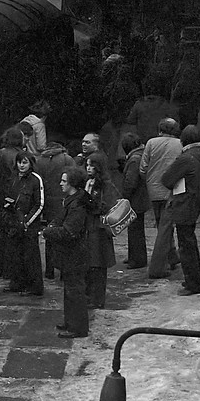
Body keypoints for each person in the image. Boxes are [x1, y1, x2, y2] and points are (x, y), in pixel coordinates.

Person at [42, 166, 91, 338]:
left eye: (64, 181)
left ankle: (77, 328)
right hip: (72, 254)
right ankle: (71, 322)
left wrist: (47, 232)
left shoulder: (76, 205)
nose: (60, 183)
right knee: (70, 290)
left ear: (73, 184)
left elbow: (69, 232)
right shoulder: (73, 200)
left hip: (75, 255)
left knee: (74, 291)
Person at [160, 125, 200, 296]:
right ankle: (193, 280)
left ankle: (193, 284)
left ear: (183, 140)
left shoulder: (186, 158)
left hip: (184, 203)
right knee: (189, 243)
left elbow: (166, 179)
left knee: (186, 245)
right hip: (195, 202)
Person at [142, 118, 182, 279]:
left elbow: (143, 167)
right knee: (165, 228)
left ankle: (172, 257)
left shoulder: (151, 143)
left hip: (153, 189)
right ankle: (157, 267)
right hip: (172, 190)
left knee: (162, 226)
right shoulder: (179, 144)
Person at [3, 151, 45, 296]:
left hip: (29, 225)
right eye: (20, 162)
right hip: (14, 222)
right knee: (15, 255)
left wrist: (27, 222)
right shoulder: (13, 178)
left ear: (30, 163)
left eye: (25, 162)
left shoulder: (35, 179)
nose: (21, 165)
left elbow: (39, 204)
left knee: (30, 256)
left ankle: (34, 287)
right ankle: (17, 283)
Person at [35, 141, 76, 279]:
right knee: (64, 237)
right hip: (63, 201)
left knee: (50, 235)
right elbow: (75, 177)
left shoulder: (39, 160)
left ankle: (49, 271)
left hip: (47, 203)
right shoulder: (66, 159)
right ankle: (64, 271)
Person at [0, 127, 24, 277]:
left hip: (1, 198)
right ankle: (12, 269)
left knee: (2, 233)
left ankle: (0, 267)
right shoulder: (22, 156)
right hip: (18, 197)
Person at [84, 152, 118, 309]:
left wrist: (89, 203)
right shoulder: (88, 182)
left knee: (98, 265)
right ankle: (90, 296)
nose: (88, 168)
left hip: (99, 229)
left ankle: (97, 299)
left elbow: (106, 206)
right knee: (90, 264)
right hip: (89, 227)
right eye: (87, 165)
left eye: (91, 165)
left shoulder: (105, 185)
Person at [120, 132, 150, 269]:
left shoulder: (134, 159)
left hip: (135, 200)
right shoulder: (140, 156)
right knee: (136, 230)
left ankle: (137, 259)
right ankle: (135, 256)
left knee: (135, 231)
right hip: (140, 198)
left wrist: (124, 197)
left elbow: (130, 182)